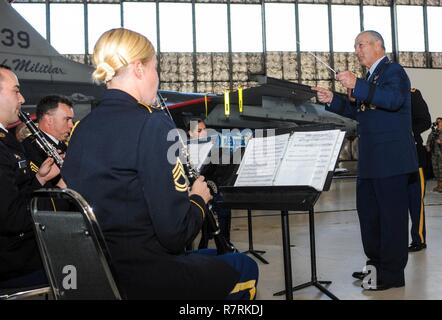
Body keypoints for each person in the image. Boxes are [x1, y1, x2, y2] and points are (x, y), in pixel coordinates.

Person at [61, 28, 258, 300]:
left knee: (213, 257)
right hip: (143, 276)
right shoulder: (151, 123)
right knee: (243, 267)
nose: (157, 77)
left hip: (97, 272)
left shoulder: (82, 128)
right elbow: (175, 234)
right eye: (156, 68)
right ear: (139, 69)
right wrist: (198, 200)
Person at [313, 31, 418, 291]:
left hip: (392, 161)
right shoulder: (371, 78)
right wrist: (334, 100)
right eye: (355, 46)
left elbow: (392, 101)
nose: (357, 50)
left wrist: (357, 84)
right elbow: (358, 112)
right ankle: (375, 269)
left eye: (361, 45)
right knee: (370, 218)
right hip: (370, 161)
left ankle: (392, 275)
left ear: (378, 45)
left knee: (391, 220)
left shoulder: (394, 72)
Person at [0, 65, 62, 288]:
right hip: (14, 264)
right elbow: (12, 218)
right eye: (16, 91)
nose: (22, 98)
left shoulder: (7, 140)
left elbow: (15, 196)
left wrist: (41, 180)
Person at [187, 118, 233, 248]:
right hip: (194, 190)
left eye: (205, 130)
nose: (204, 133)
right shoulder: (185, 150)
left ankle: (225, 241)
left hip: (211, 187)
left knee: (224, 204)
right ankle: (202, 242)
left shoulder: (213, 149)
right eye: (199, 130)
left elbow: (218, 172)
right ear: (191, 133)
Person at [22, 95, 74, 185]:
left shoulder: (63, 145)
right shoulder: (29, 148)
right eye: (67, 119)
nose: (71, 125)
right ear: (49, 120)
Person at [408, 88, 431, 252]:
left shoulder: (412, 94)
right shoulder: (379, 94)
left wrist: (407, 131)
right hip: (391, 157)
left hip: (414, 156)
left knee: (416, 202)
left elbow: (425, 121)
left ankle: (419, 239)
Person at [427, 117, 442, 192]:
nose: (438, 123)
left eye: (439, 121)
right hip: (434, 154)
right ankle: (439, 185)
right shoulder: (433, 132)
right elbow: (429, 140)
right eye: (437, 122)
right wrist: (428, 146)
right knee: (435, 169)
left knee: (441, 169)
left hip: (441, 154)